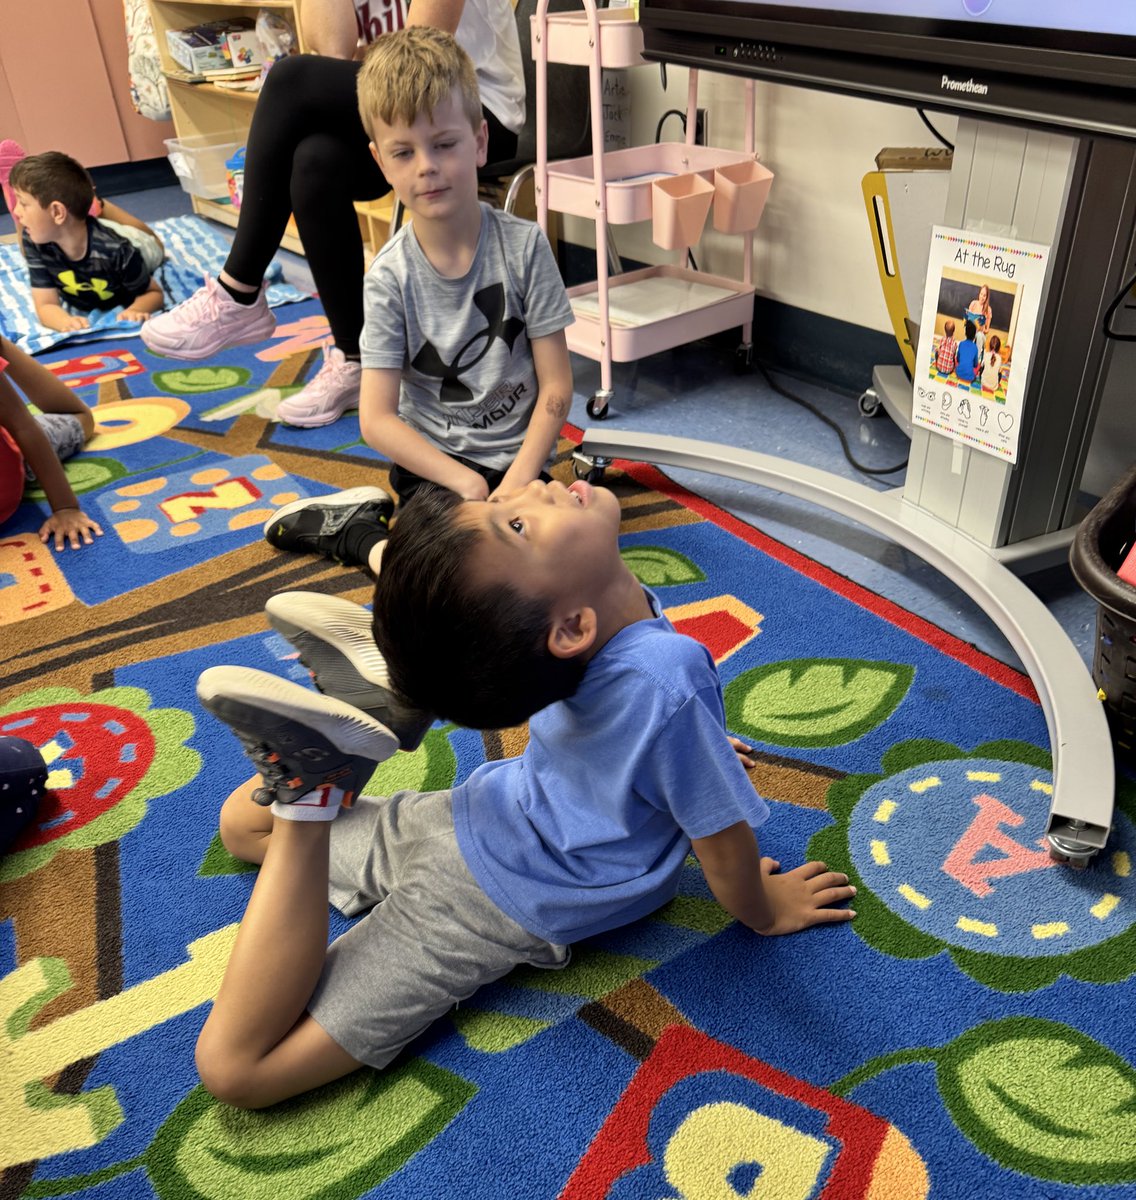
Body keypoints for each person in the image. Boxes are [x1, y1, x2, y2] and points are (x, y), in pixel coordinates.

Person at [194, 476, 858, 1109]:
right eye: (515, 522)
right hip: (485, 908)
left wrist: (696, 745)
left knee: (241, 825)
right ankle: (312, 800)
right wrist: (764, 909)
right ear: (570, 630)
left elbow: (640, 719)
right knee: (238, 1070)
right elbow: (722, 851)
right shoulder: (659, 666)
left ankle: (399, 705)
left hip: (469, 813)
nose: (530, 488)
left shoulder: (590, 631)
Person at [260, 27, 573, 582]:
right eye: (405, 152)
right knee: (458, 580)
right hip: (437, 470)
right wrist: (468, 484)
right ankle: (358, 536)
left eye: (444, 144)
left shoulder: (526, 247)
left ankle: (396, 540)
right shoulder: (388, 279)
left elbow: (556, 389)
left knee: (560, 564)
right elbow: (378, 419)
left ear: (479, 142)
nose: (426, 166)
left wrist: (519, 478)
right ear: (381, 163)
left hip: (519, 462)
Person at [140, 0, 525, 430]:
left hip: (473, 104)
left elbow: (417, 59)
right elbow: (334, 50)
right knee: (314, 162)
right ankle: (356, 355)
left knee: (290, 79)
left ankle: (239, 290)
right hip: (404, 104)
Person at [9, 152, 164, 332]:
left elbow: (153, 293)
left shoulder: (117, 251)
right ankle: (88, 207)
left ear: (57, 212)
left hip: (135, 244)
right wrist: (64, 321)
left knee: (153, 243)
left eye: (23, 203)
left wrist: (136, 309)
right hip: (77, 229)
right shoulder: (35, 242)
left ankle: (100, 205)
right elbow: (45, 304)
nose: (15, 211)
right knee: (60, 229)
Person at [0, 333, 103, 549]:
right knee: (79, 417)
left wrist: (65, 507)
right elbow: (22, 425)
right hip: (11, 459)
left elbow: (23, 426)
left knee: (78, 418)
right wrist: (65, 508)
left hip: (12, 457)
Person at [954, 319, 980, 385]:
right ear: (974, 336)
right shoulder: (975, 347)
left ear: (965, 333)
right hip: (970, 378)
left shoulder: (961, 344)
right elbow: (975, 364)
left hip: (958, 374)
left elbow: (958, 360)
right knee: (979, 366)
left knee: (956, 360)